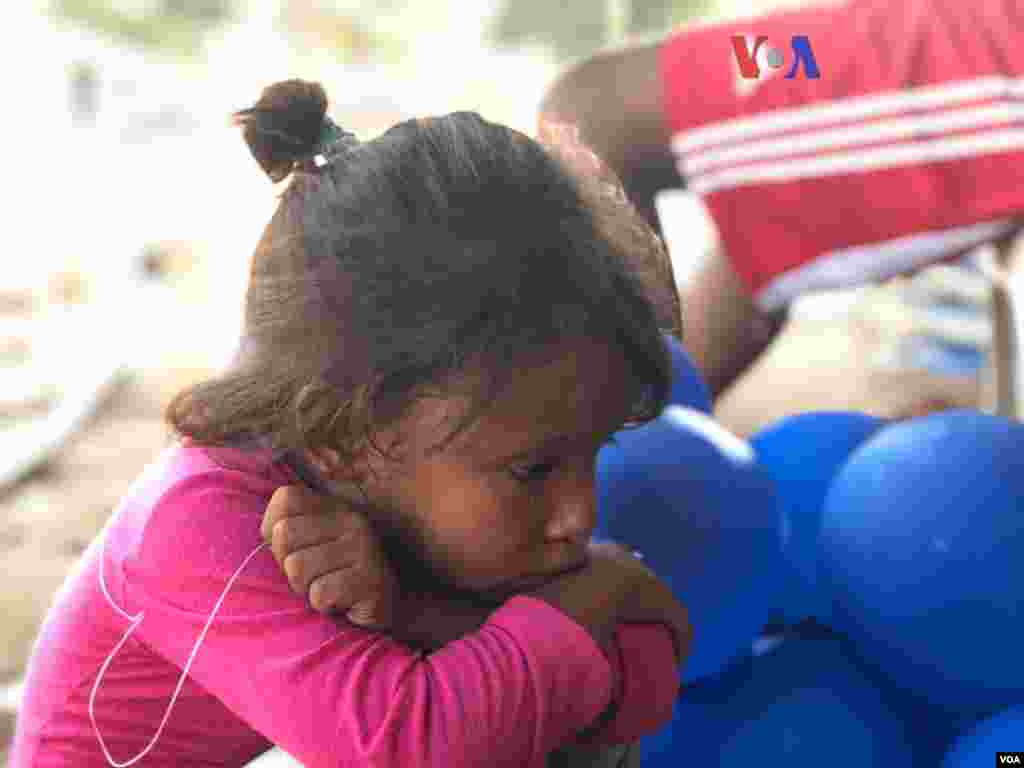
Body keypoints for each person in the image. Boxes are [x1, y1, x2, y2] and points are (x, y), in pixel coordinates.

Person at [10, 80, 690, 768]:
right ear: (342, 436)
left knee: (537, 708)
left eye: (593, 453)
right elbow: (407, 748)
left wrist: (409, 613)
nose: (579, 514)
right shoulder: (198, 521)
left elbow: (644, 689)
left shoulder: (453, 468)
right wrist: (603, 592)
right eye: (536, 469)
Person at [538, 0, 1024, 400]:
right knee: (600, 114)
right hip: (906, 27)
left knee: (594, 111)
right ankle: (642, 449)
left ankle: (634, 448)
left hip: (985, 44)